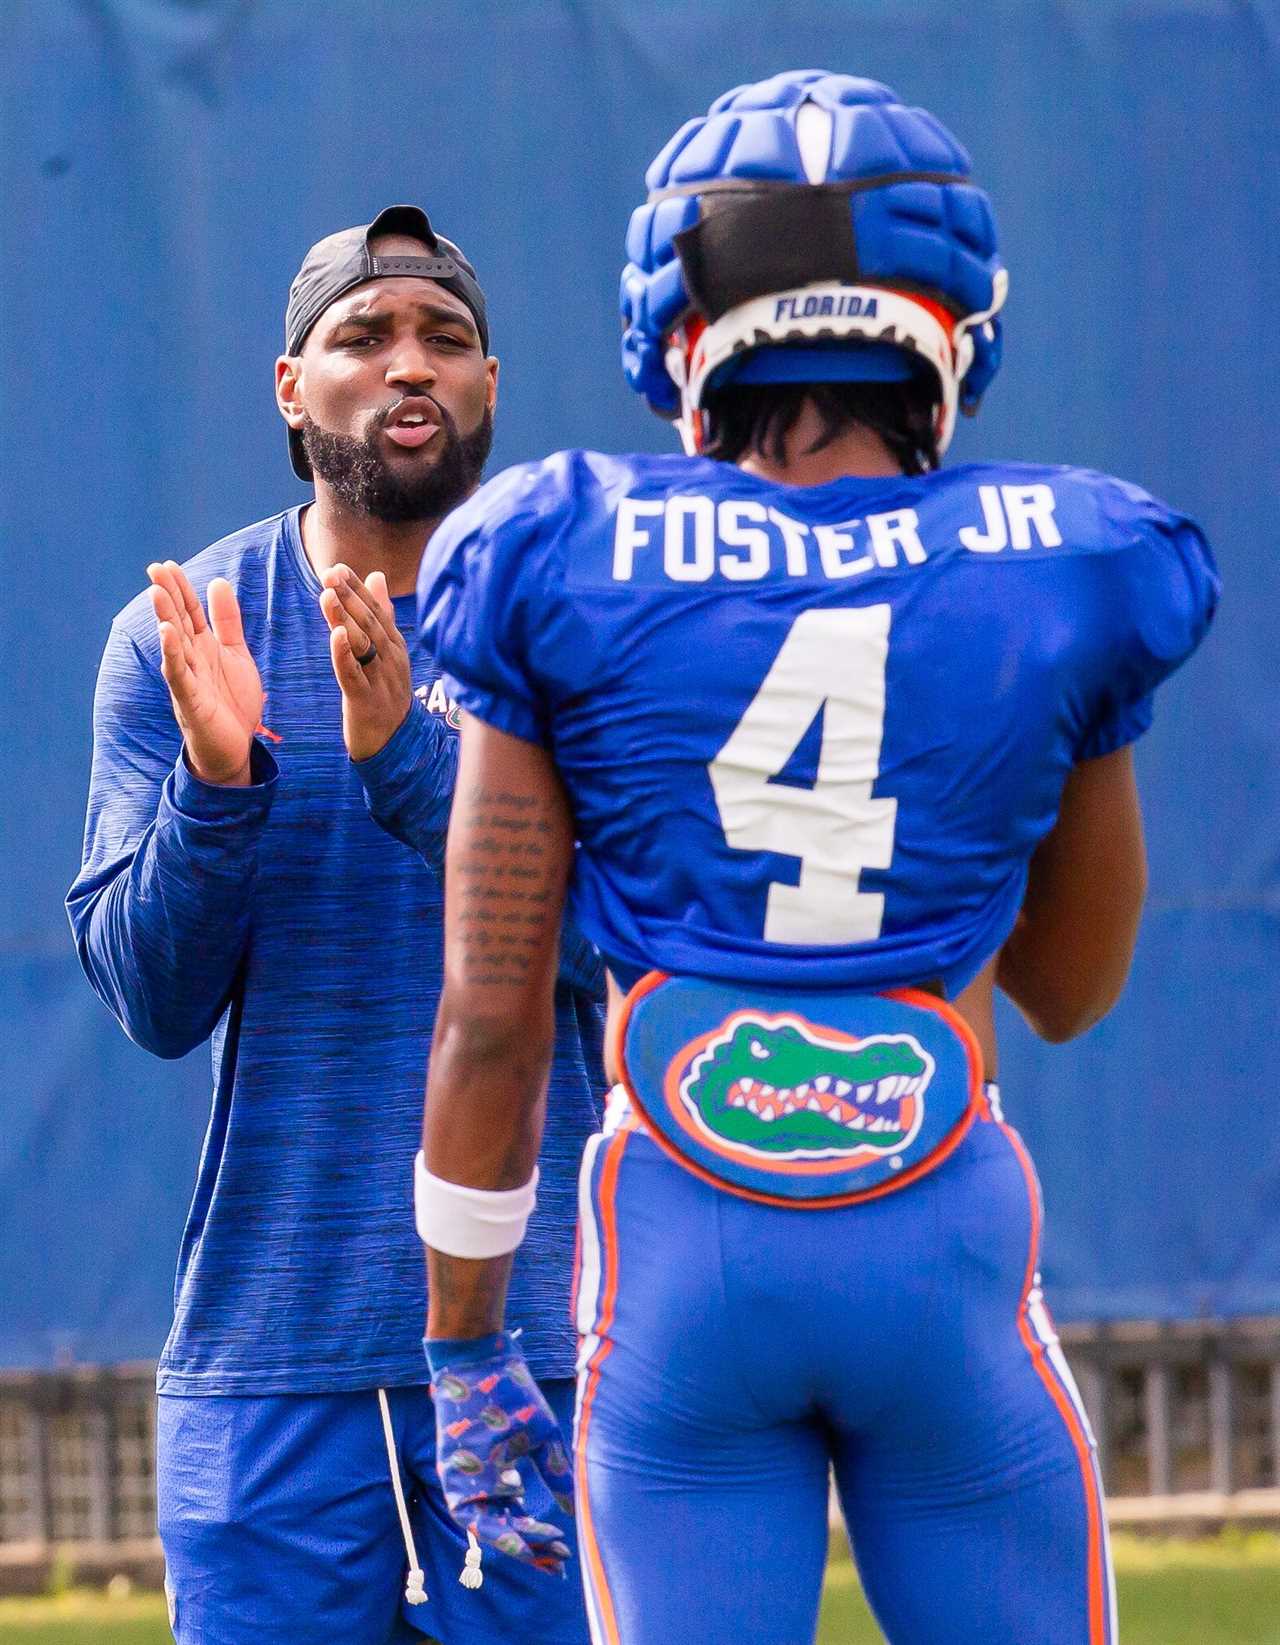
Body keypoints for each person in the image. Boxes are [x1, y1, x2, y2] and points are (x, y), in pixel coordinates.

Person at [409, 73, 1219, 1645]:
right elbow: (1073, 985)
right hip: (948, 1241)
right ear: (956, 326)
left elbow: (490, 1016)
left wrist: (463, 1347)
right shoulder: (1075, 560)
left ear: (676, 325)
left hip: (680, 1261)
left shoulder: (561, 546)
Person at [67, 204, 603, 1645]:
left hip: (543, 1356)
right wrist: (221, 783)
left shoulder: (581, 621)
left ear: (492, 385)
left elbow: (632, 956)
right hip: (272, 1368)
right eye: (362, 335)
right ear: (292, 391)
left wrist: (415, 772)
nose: (406, 364)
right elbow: (152, 998)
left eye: (446, 337)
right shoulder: (191, 628)